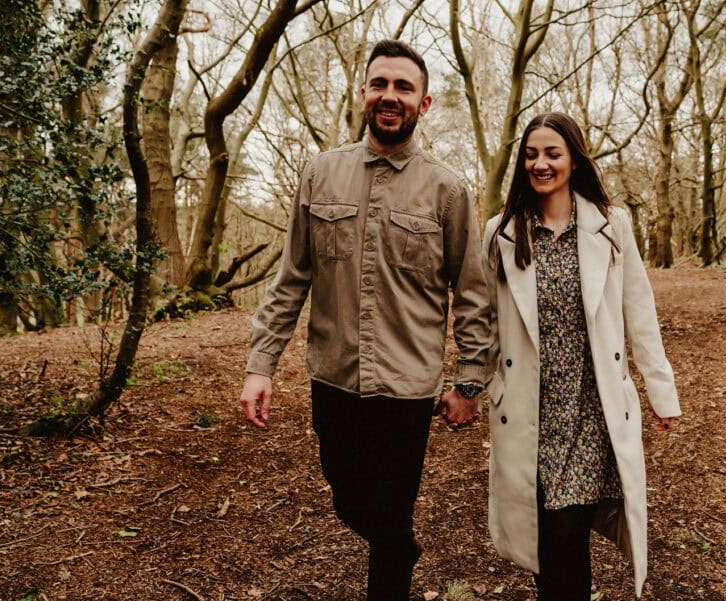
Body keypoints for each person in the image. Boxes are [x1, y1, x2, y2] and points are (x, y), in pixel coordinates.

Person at [239, 39, 491, 601]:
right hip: (334, 378)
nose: (390, 96)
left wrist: (470, 381)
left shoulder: (448, 190)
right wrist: (261, 366)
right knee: (347, 499)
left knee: (391, 517)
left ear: (424, 103)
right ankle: (397, 546)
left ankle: (393, 566)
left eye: (404, 87)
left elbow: (473, 294)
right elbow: (291, 280)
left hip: (406, 389)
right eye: (380, 84)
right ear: (363, 94)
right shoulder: (321, 174)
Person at [482, 111, 681, 600]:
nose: (540, 164)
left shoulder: (611, 226)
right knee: (548, 538)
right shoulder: (501, 233)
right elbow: (482, 320)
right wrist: (482, 383)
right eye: (531, 154)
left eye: (552, 153)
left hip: (591, 407)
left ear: (574, 158)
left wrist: (661, 389)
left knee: (565, 531)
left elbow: (639, 307)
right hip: (531, 408)